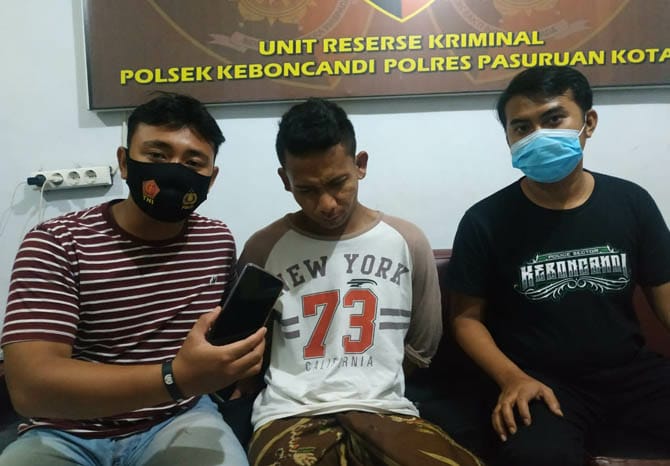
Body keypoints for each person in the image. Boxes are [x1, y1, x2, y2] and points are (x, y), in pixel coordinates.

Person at [0, 93, 266, 466]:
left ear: (212, 177)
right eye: (157, 155)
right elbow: (31, 388)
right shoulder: (57, 242)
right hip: (65, 430)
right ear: (125, 162)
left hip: (178, 418)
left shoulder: (216, 240)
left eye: (193, 162)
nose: (174, 171)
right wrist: (175, 378)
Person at [238, 97, 482, 466]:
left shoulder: (407, 242)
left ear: (360, 165)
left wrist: (367, 386)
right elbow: (245, 346)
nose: (327, 204)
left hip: (388, 411)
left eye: (338, 183)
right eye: (307, 190)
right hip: (288, 415)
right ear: (285, 180)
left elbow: (422, 343)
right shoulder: (264, 248)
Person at [447, 65, 670, 465]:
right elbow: (466, 319)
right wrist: (511, 378)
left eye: (553, 119)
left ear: (589, 122)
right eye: (522, 127)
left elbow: (665, 294)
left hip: (632, 376)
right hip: (541, 386)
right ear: (508, 138)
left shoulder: (632, 203)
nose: (538, 135)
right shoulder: (484, 221)